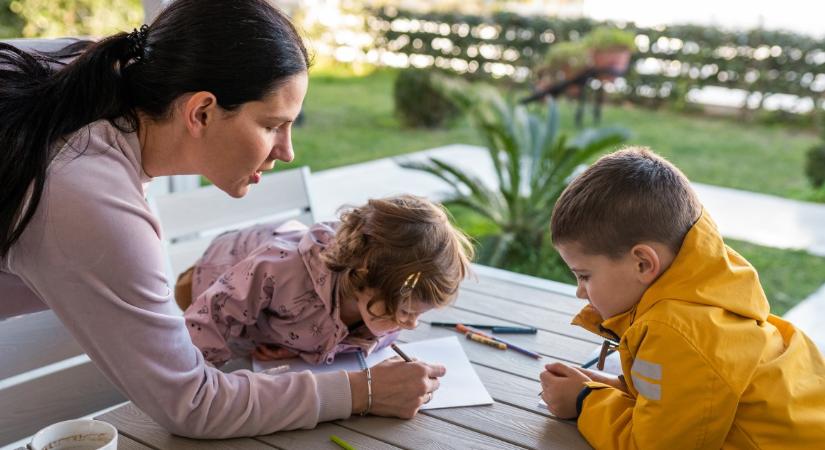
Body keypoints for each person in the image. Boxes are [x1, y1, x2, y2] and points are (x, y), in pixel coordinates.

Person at [0, 0, 450, 438]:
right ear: (201, 112)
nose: (286, 151)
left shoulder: (98, 74)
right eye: (272, 125)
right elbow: (193, 405)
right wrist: (362, 391)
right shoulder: (90, 201)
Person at [540, 148, 825, 449]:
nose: (580, 291)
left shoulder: (679, 333)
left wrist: (584, 401)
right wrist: (601, 385)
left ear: (643, 264)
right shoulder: (701, 290)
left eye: (584, 275)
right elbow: (675, 401)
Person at [175, 195, 473, 367]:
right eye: (405, 312)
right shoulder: (280, 272)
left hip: (274, 320)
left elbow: (361, 334)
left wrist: (303, 348)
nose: (410, 325)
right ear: (363, 277)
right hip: (213, 280)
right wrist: (202, 380)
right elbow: (209, 318)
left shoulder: (378, 301)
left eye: (418, 314)